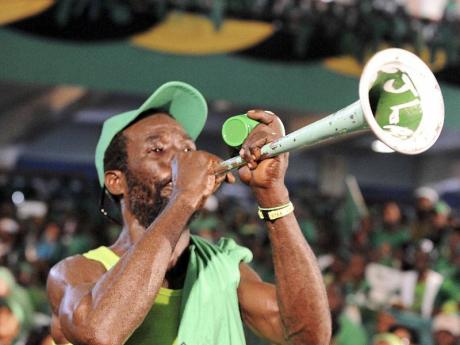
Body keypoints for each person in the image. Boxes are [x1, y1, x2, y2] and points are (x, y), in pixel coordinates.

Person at [46, 81, 331, 345]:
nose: (179, 160)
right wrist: (183, 196)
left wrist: (273, 193)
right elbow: (100, 332)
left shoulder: (222, 266)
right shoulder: (76, 272)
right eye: (157, 149)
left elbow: (308, 336)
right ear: (116, 181)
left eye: (187, 148)